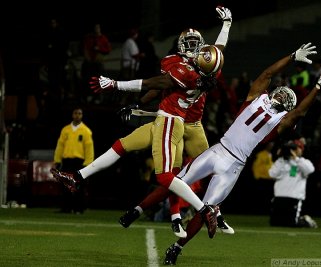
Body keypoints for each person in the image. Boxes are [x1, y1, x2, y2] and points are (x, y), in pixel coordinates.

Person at [51, 6, 233, 239]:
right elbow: (217, 50)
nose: (192, 49)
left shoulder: (182, 69)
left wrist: (115, 85)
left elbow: (151, 84)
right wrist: (226, 25)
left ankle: (208, 211)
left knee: (176, 174)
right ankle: (79, 177)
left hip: (177, 122)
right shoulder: (211, 69)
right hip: (173, 119)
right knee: (125, 146)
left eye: (194, 45)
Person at [163, 43, 321, 265]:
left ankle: (177, 247)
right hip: (220, 149)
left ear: (287, 107)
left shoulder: (279, 122)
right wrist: (292, 57)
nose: (281, 95)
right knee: (176, 182)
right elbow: (269, 74)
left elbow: (300, 111)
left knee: (203, 211)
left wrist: (317, 86)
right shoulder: (257, 98)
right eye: (281, 91)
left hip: (233, 164)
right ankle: (175, 216)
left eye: (285, 97)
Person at [53, 107, 94, 214]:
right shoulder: (65, 130)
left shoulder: (86, 131)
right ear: (72, 115)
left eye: (79, 113)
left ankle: (79, 208)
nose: (77, 115)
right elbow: (60, 146)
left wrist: (88, 164)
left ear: (82, 115)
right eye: (75, 113)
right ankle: (66, 208)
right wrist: (57, 160)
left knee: (79, 186)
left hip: (79, 162)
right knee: (65, 185)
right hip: (67, 161)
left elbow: (89, 148)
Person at [269, 139, 317, 228]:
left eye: (296, 148)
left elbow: (310, 170)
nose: (293, 150)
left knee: (292, 224)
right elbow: (272, 174)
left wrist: (296, 159)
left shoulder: (303, 161)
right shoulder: (281, 161)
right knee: (275, 223)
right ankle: (302, 219)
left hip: (294, 197)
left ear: (301, 150)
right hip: (279, 196)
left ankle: (306, 221)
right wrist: (281, 157)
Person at [81, 23, 112, 103]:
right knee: (88, 79)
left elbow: (108, 50)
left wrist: (99, 48)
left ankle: (97, 97)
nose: (96, 29)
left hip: (98, 62)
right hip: (89, 63)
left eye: (98, 28)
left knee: (98, 80)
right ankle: (89, 95)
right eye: (95, 28)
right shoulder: (89, 38)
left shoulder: (103, 38)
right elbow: (85, 48)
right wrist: (87, 57)